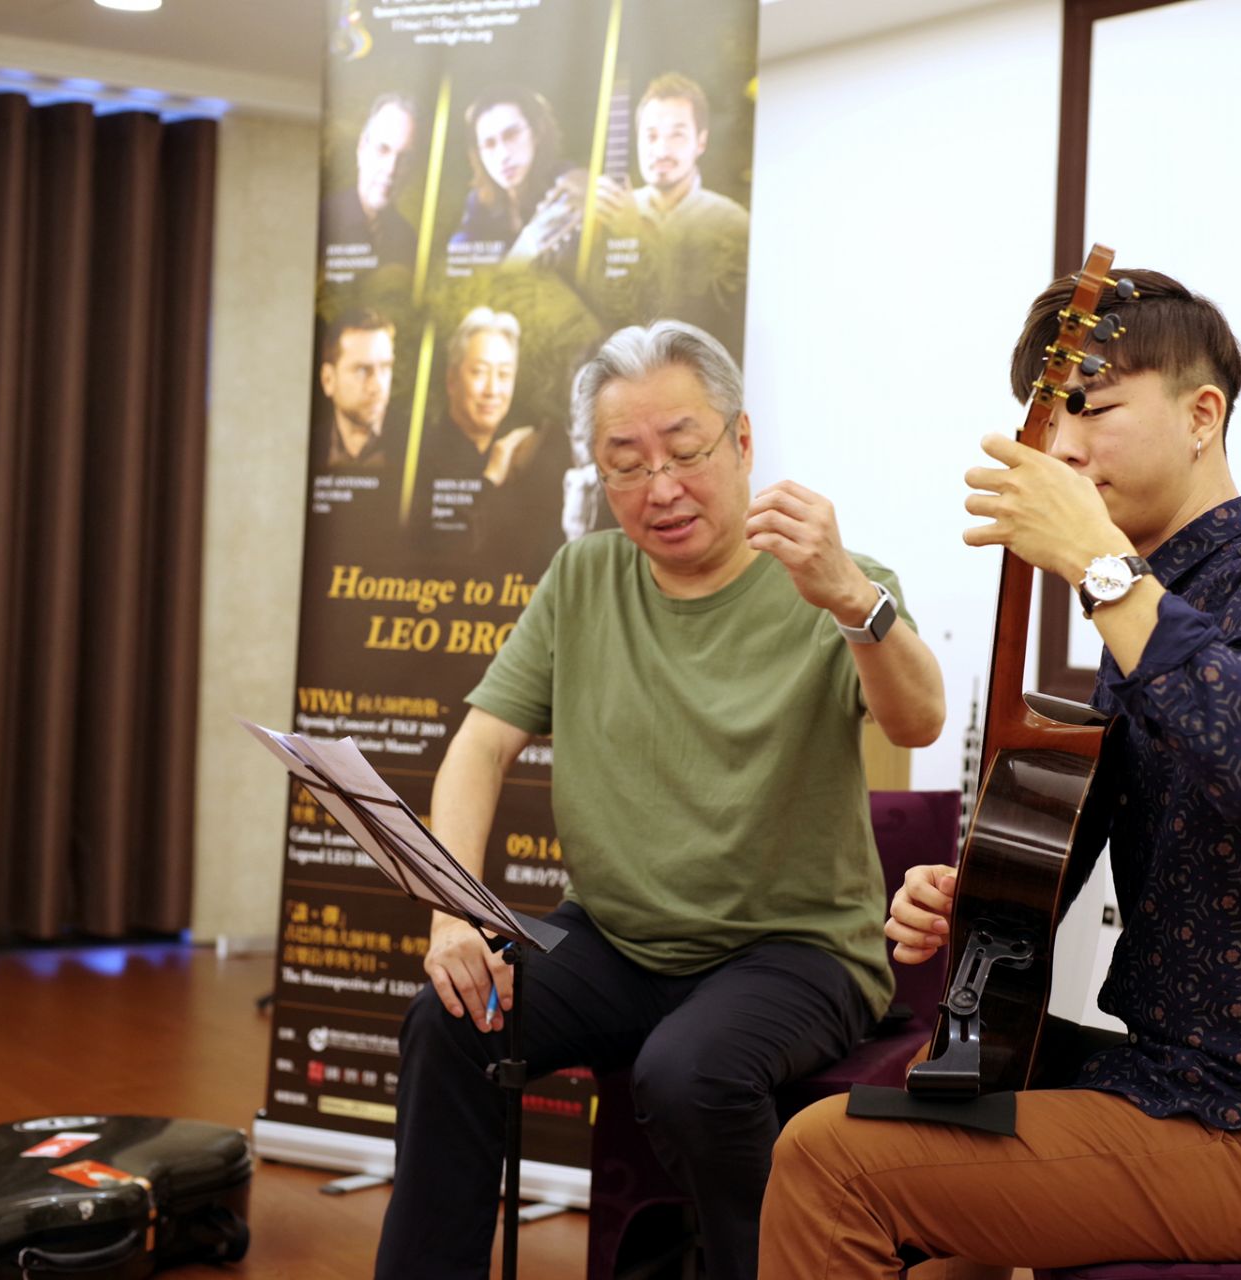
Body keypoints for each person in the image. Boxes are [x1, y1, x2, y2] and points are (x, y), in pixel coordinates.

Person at [758, 271, 1241, 1277]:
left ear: (1202, 415)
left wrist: (1102, 566)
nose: (1060, 447)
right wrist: (975, 891)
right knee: (936, 1097)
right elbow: (1065, 851)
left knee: (827, 1161)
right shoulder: (1147, 609)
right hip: (1165, 1076)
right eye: (1050, 418)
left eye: (1093, 409)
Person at [372, 320, 947, 1280]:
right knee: (450, 1020)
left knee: (690, 1073)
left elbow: (919, 720)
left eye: (685, 453)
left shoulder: (829, 584)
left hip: (796, 950)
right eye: (627, 465)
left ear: (742, 441)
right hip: (617, 938)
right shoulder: (583, 576)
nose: (662, 488)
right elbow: (480, 745)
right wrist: (451, 915)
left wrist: (850, 594)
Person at [597, 73, 750, 346]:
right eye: (651, 136)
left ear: (701, 141)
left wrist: (634, 234)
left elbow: (692, 319)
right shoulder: (612, 213)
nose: (661, 151)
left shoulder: (732, 225)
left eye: (677, 135)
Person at [414, 306, 539, 533]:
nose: (492, 390)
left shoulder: (521, 451)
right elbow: (446, 543)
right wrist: (491, 478)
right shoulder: (420, 453)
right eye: (479, 372)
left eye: (504, 374)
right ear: (452, 380)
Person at [448, 87, 585, 272]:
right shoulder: (478, 203)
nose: (503, 155)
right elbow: (459, 261)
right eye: (489, 144)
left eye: (512, 135)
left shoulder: (568, 183)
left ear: (536, 133)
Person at [322, 93, 419, 272]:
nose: (391, 168)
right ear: (361, 148)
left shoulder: (408, 238)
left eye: (404, 158)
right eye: (383, 149)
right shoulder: (325, 220)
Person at [317, 308, 397, 469]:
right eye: (362, 370)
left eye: (385, 367)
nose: (377, 386)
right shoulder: (310, 447)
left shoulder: (419, 449)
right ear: (328, 380)